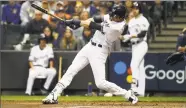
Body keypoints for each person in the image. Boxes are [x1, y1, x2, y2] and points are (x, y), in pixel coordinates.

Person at [42, 5, 138, 104]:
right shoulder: (112, 16)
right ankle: (54, 94)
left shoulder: (118, 27)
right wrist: (78, 24)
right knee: (72, 69)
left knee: (100, 83)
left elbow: (93, 25)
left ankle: (127, 94)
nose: (112, 17)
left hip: (100, 51)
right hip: (89, 46)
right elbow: (95, 18)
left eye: (115, 16)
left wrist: (76, 22)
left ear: (121, 17)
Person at [120, 2, 149, 97]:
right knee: (140, 68)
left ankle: (134, 87)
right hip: (134, 45)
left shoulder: (144, 20)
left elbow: (143, 34)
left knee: (133, 64)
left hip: (141, 44)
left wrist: (130, 36)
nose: (134, 10)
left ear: (140, 9)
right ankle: (141, 91)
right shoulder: (131, 21)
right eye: (133, 8)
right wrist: (124, 37)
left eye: (136, 8)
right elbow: (126, 36)